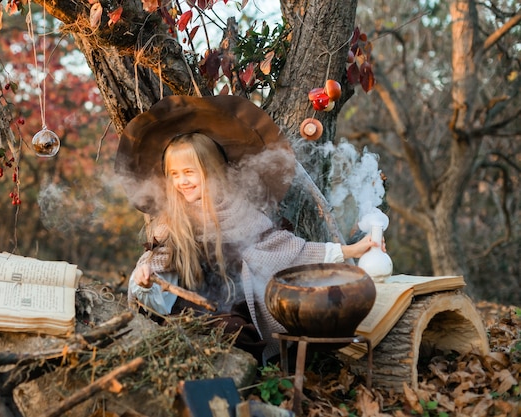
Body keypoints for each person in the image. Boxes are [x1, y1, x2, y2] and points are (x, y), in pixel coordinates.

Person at [114, 95, 382, 363]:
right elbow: (154, 275)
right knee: (193, 334)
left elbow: (289, 251)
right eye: (174, 174)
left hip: (231, 316)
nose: (182, 181)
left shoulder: (242, 214)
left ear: (211, 171)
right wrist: (145, 282)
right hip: (184, 317)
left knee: (233, 331)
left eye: (190, 172)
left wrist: (351, 250)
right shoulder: (171, 223)